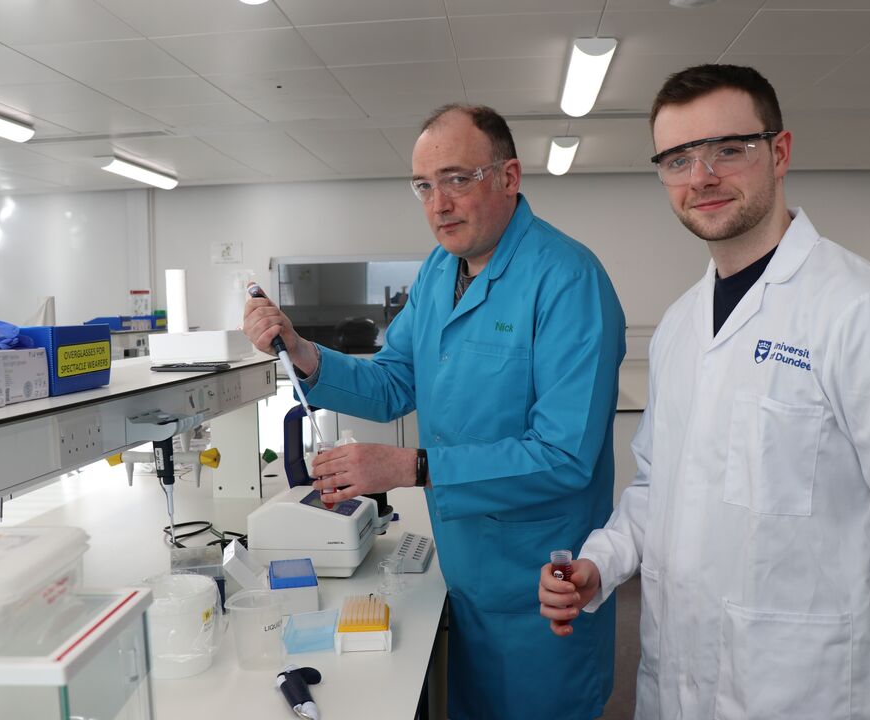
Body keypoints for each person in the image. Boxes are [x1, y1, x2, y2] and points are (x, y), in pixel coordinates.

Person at [539, 64, 870, 719]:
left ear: (779, 152)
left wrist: (859, 642)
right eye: (678, 158)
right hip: (677, 681)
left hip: (801, 690)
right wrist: (601, 564)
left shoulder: (865, 311)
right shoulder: (678, 329)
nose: (701, 176)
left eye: (729, 149)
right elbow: (657, 488)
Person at [244, 104, 625, 720]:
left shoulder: (567, 279)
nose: (438, 203)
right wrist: (305, 354)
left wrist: (411, 466)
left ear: (508, 177)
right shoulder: (437, 273)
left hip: (542, 587)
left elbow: (563, 456)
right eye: (424, 185)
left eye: (457, 179)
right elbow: (395, 380)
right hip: (464, 571)